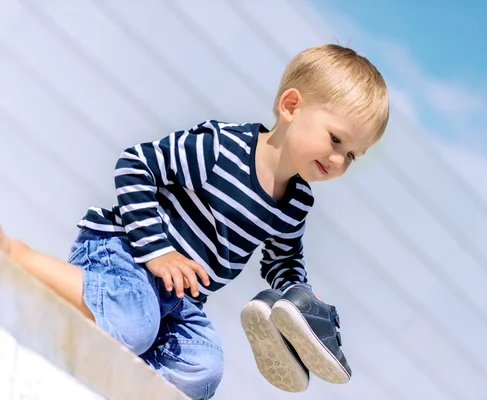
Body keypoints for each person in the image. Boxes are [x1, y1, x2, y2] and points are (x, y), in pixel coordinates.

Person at [0, 43, 389, 399]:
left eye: (353, 155)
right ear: (290, 106)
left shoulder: (296, 202)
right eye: (336, 140)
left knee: (204, 369)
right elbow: (135, 165)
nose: (339, 160)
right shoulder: (222, 149)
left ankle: (112, 358)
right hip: (126, 253)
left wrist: (298, 297)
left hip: (181, 298)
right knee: (135, 321)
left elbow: (281, 260)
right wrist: (158, 251)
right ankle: (16, 254)